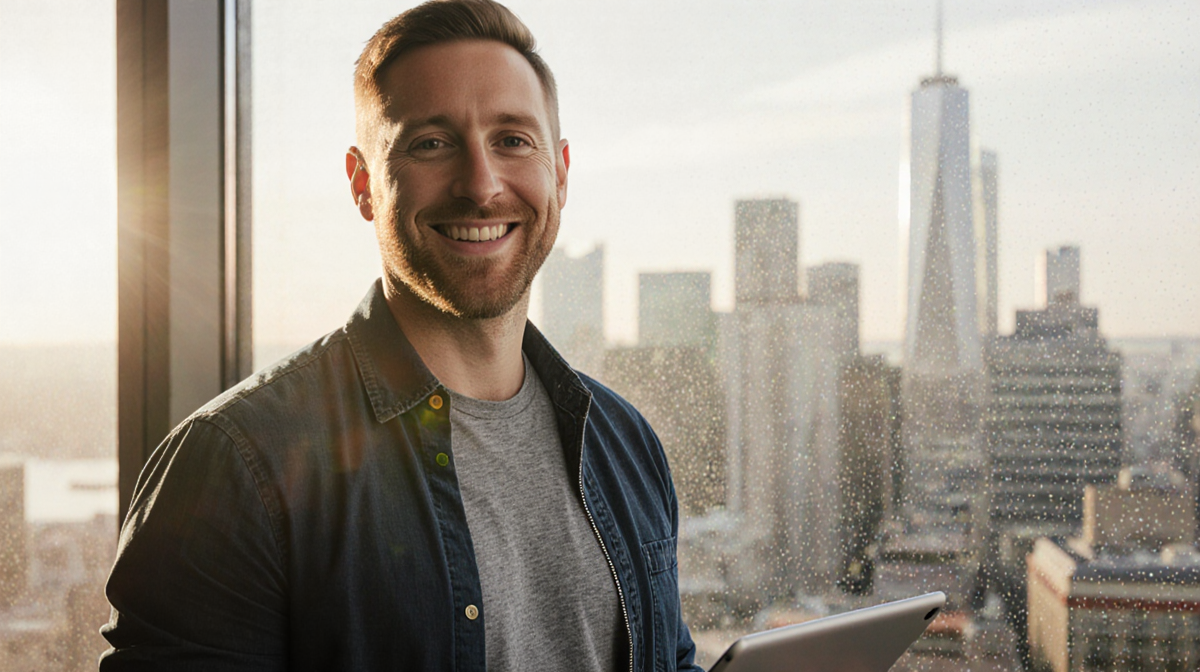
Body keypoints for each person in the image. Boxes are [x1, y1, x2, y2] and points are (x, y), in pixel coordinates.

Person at [99, 1, 702, 670]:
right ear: (363, 185)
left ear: (560, 172)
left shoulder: (624, 443)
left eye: (512, 139)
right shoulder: (237, 467)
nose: (481, 185)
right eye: (431, 144)